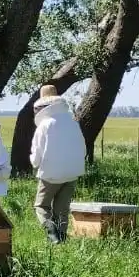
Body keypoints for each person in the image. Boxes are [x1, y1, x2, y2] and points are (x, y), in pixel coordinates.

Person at [30, 84, 85, 243]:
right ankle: (62, 238)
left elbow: (37, 152)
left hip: (50, 173)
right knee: (62, 209)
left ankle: (52, 235)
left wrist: (35, 164)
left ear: (42, 106)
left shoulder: (45, 124)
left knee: (41, 206)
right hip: (72, 172)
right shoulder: (73, 122)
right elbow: (82, 147)